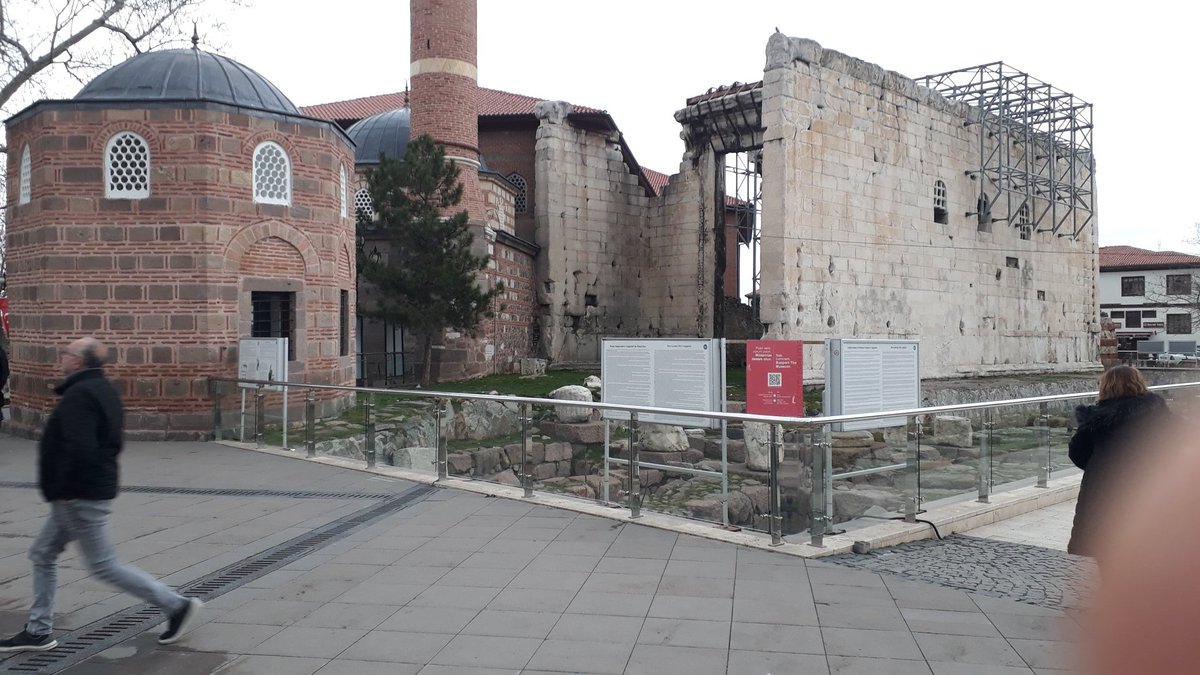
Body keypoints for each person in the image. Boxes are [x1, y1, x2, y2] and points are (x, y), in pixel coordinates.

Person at [0, 337, 202, 653]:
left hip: (78, 496)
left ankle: (176, 605)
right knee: (42, 554)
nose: (61, 357)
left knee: (104, 565)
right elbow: (112, 443)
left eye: (65, 353)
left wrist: (66, 490)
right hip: (83, 493)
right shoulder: (102, 390)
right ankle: (38, 630)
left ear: (78, 361)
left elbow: (80, 448)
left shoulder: (80, 395)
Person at [1066, 364, 1169, 557]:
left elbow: (1077, 453)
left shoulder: (1096, 420)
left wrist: (1100, 466)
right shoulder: (1159, 413)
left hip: (1103, 491)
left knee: (1098, 546)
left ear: (1106, 387)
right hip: (1148, 488)